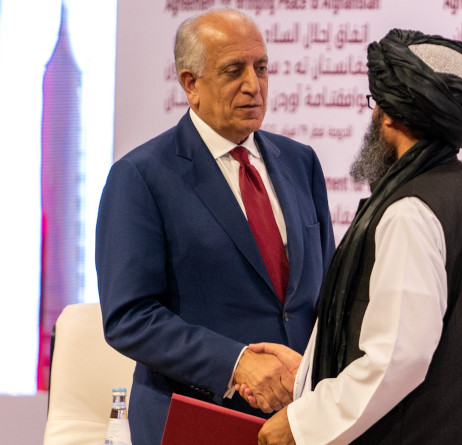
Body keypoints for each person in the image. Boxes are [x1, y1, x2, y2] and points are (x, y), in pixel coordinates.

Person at [249, 29, 462, 444]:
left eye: (375, 105)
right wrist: (312, 370)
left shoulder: (409, 212)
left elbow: (399, 356)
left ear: (390, 117)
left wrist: (304, 423)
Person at [95, 8, 335, 444]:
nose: (253, 85)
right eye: (233, 71)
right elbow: (129, 317)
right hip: (199, 421)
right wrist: (237, 362)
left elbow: (325, 297)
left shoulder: (301, 163)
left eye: (261, 68)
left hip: (300, 422)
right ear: (190, 84)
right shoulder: (141, 176)